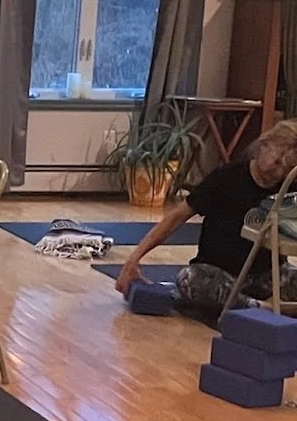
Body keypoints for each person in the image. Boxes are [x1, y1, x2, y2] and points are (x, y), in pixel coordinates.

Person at [116, 119, 297, 315]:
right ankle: (262, 308)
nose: (278, 173)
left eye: (286, 169)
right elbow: (176, 217)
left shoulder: (289, 185)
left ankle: (250, 305)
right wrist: (134, 259)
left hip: (267, 276)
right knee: (191, 280)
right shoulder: (226, 177)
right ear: (264, 145)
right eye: (277, 163)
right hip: (219, 274)